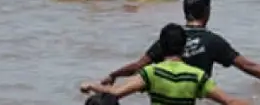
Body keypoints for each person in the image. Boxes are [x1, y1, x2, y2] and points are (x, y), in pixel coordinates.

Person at [102, 0, 260, 86]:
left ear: (185, 12)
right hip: (198, 95)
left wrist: (113, 75)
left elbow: (137, 66)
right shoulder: (213, 41)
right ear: (207, 12)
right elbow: (248, 67)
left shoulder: (170, 38)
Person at [82, 24, 250, 105]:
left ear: (161, 46)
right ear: (184, 47)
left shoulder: (152, 72)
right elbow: (230, 102)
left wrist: (92, 85)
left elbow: (115, 93)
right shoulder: (196, 76)